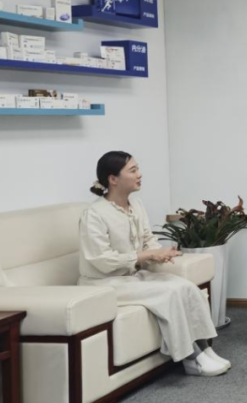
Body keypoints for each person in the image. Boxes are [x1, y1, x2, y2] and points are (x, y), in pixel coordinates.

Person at [79, 151, 229, 377]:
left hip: (131, 277)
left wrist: (159, 253)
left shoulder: (136, 205)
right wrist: (145, 255)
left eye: (138, 169)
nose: (139, 174)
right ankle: (192, 359)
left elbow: (148, 239)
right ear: (113, 179)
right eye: (133, 170)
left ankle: (205, 349)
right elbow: (101, 260)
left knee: (185, 287)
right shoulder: (94, 214)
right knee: (169, 294)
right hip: (103, 284)